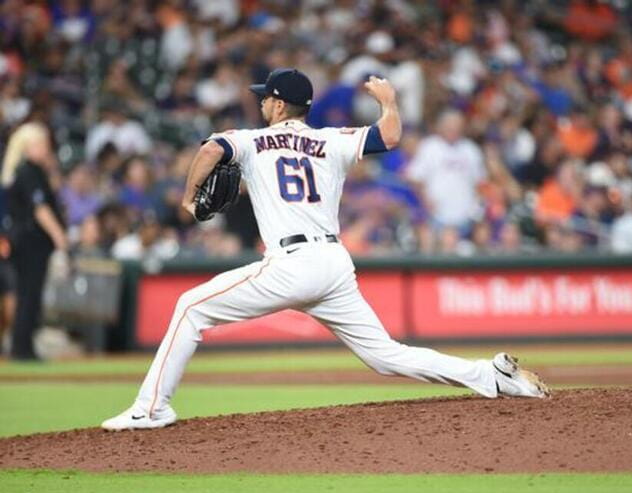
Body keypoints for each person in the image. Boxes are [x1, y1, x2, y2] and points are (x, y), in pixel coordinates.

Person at [101, 69, 549, 430]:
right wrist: (389, 102)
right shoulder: (331, 139)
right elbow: (389, 137)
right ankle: (490, 376)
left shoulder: (252, 140)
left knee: (189, 307)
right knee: (385, 355)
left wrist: (187, 196)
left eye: (266, 97)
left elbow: (211, 149)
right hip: (334, 264)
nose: (262, 103)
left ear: (278, 104)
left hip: (291, 264)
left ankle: (151, 408)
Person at [1, 122, 68, 360]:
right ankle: (22, 349)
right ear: (27, 146)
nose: (47, 148)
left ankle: (24, 345)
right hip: (30, 241)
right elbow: (40, 209)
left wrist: (52, 169)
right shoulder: (27, 170)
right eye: (42, 143)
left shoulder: (36, 171)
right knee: (28, 294)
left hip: (31, 241)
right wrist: (59, 237)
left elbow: (54, 194)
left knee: (31, 294)